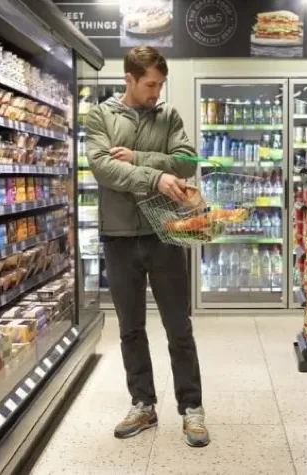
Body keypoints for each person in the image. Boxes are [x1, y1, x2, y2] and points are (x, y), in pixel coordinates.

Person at [83, 46, 209, 448]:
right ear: (130, 79)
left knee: (178, 325)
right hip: (119, 235)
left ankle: (192, 409)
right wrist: (154, 177)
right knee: (130, 328)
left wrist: (138, 158)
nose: (156, 92)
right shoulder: (100, 115)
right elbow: (102, 167)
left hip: (166, 232)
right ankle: (142, 403)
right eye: (150, 84)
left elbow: (187, 161)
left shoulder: (168, 115)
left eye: (160, 84)